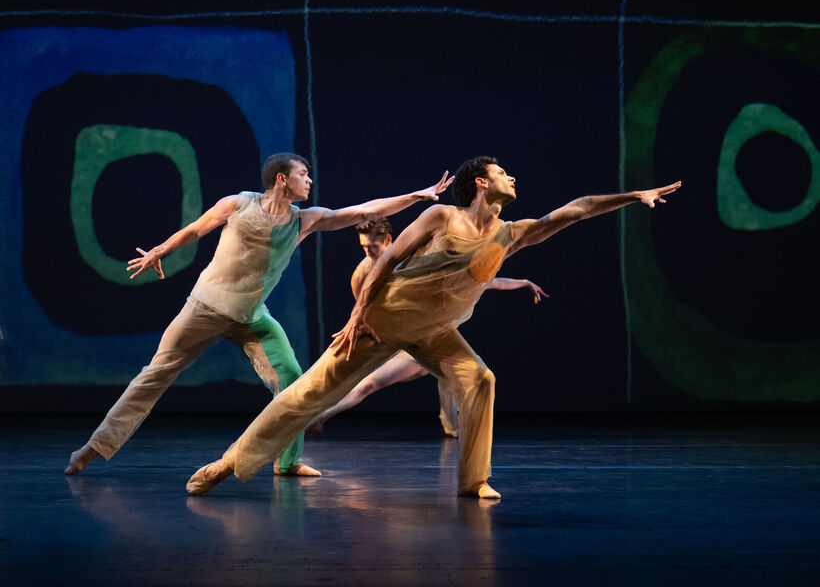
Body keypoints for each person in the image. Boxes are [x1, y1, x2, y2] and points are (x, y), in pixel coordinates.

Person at [186, 156, 681, 499]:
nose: (512, 177)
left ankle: (474, 481)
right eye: (501, 171)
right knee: (303, 396)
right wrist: (357, 316)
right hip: (382, 323)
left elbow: (574, 209)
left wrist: (632, 196)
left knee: (480, 379)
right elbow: (389, 261)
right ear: (481, 183)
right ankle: (229, 462)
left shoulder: (512, 234)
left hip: (436, 332)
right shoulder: (441, 215)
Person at [64, 152, 454, 477]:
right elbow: (196, 229)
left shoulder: (305, 219)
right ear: (282, 179)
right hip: (205, 307)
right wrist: (159, 251)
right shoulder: (238, 203)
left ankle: (288, 461)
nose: (310, 181)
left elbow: (361, 210)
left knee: (293, 379)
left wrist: (416, 196)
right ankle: (94, 447)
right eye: (304, 174)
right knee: (155, 374)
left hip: (252, 316)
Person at [307, 217, 546, 436]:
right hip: (393, 337)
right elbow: (363, 311)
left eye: (373, 247)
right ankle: (318, 416)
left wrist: (523, 282)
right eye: (364, 248)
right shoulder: (362, 272)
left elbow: (488, 282)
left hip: (424, 337)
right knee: (368, 381)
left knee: (456, 373)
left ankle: (453, 426)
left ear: (389, 240)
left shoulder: (410, 260)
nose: (369, 253)